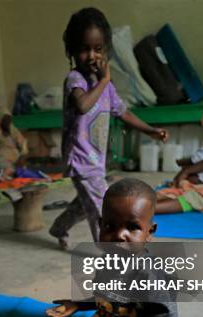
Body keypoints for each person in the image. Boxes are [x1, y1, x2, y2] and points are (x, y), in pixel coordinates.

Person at [49, 7, 169, 250]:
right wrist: (103, 80)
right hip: (81, 160)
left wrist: (150, 130)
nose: (91, 55)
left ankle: (59, 227)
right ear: (72, 51)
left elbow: (123, 112)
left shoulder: (107, 87)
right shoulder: (76, 79)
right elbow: (82, 105)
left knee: (83, 205)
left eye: (98, 49)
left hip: (96, 161)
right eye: (84, 49)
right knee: (103, 208)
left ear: (106, 50)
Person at [46, 178, 177, 317]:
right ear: (99, 226)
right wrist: (77, 305)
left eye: (132, 227)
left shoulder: (151, 274)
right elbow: (106, 298)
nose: (119, 235)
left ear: (149, 232)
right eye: (109, 226)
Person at [0, 107, 28, 179]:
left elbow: (22, 144)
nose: (7, 122)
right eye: (5, 120)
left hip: (15, 157)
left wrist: (22, 153)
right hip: (0, 158)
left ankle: (6, 174)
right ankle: (2, 175)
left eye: (9, 120)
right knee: (8, 170)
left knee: (23, 171)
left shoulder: (13, 130)